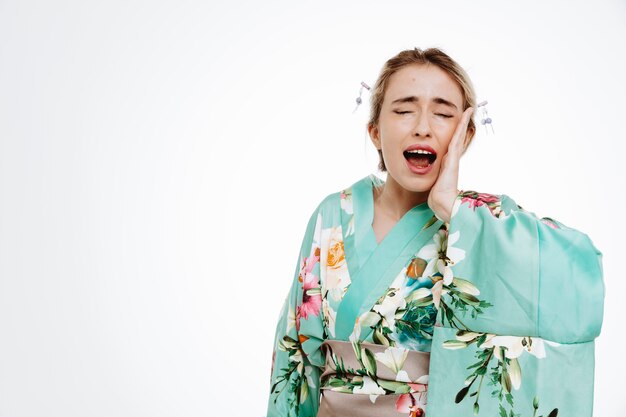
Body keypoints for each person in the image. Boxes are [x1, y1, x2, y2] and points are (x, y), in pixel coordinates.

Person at [265, 47, 604, 417]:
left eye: (443, 113)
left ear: (466, 134)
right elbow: (295, 357)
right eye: (404, 110)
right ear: (375, 132)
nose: (422, 126)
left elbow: (578, 267)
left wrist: (451, 208)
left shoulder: (484, 222)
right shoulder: (333, 213)